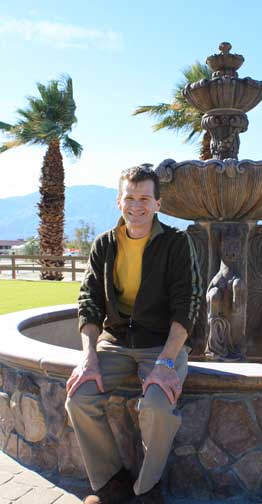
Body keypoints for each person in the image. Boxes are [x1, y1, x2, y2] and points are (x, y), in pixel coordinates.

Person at [65, 165, 202, 504]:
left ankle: (147, 489)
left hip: (161, 343)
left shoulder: (176, 244)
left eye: (144, 198)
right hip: (114, 342)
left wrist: (166, 362)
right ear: (118, 202)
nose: (136, 206)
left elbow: (188, 306)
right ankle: (111, 485)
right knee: (79, 397)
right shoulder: (104, 245)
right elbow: (89, 302)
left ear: (158, 204)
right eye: (130, 197)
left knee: (157, 405)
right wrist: (89, 357)